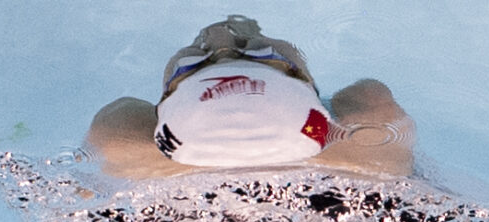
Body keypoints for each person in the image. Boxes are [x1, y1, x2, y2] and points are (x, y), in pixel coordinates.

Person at [85, 16, 415, 180]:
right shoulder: (368, 120)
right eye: (201, 55)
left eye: (252, 48)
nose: (222, 44)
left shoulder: (121, 134)